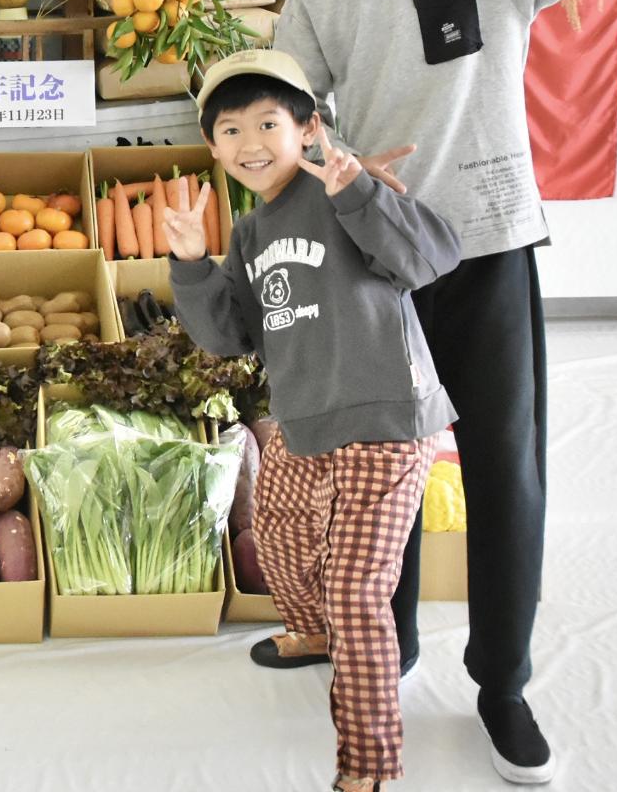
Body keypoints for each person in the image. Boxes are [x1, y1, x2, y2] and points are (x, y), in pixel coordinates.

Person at [268, 0, 617, 784]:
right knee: (375, 468)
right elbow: (288, 108)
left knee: (501, 469)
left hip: (484, 241)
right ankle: (389, 649)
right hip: (379, 258)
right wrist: (319, 156)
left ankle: (501, 681)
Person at [164, 49, 461, 792]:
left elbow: (432, 256)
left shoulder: (345, 189)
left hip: (385, 420)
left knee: (359, 590)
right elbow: (228, 335)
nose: (251, 144)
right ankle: (313, 631)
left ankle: (367, 767)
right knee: (283, 535)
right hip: (305, 420)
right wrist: (194, 263)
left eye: (269, 123)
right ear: (213, 148)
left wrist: (359, 189)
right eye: (230, 131)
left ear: (308, 128)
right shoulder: (253, 232)